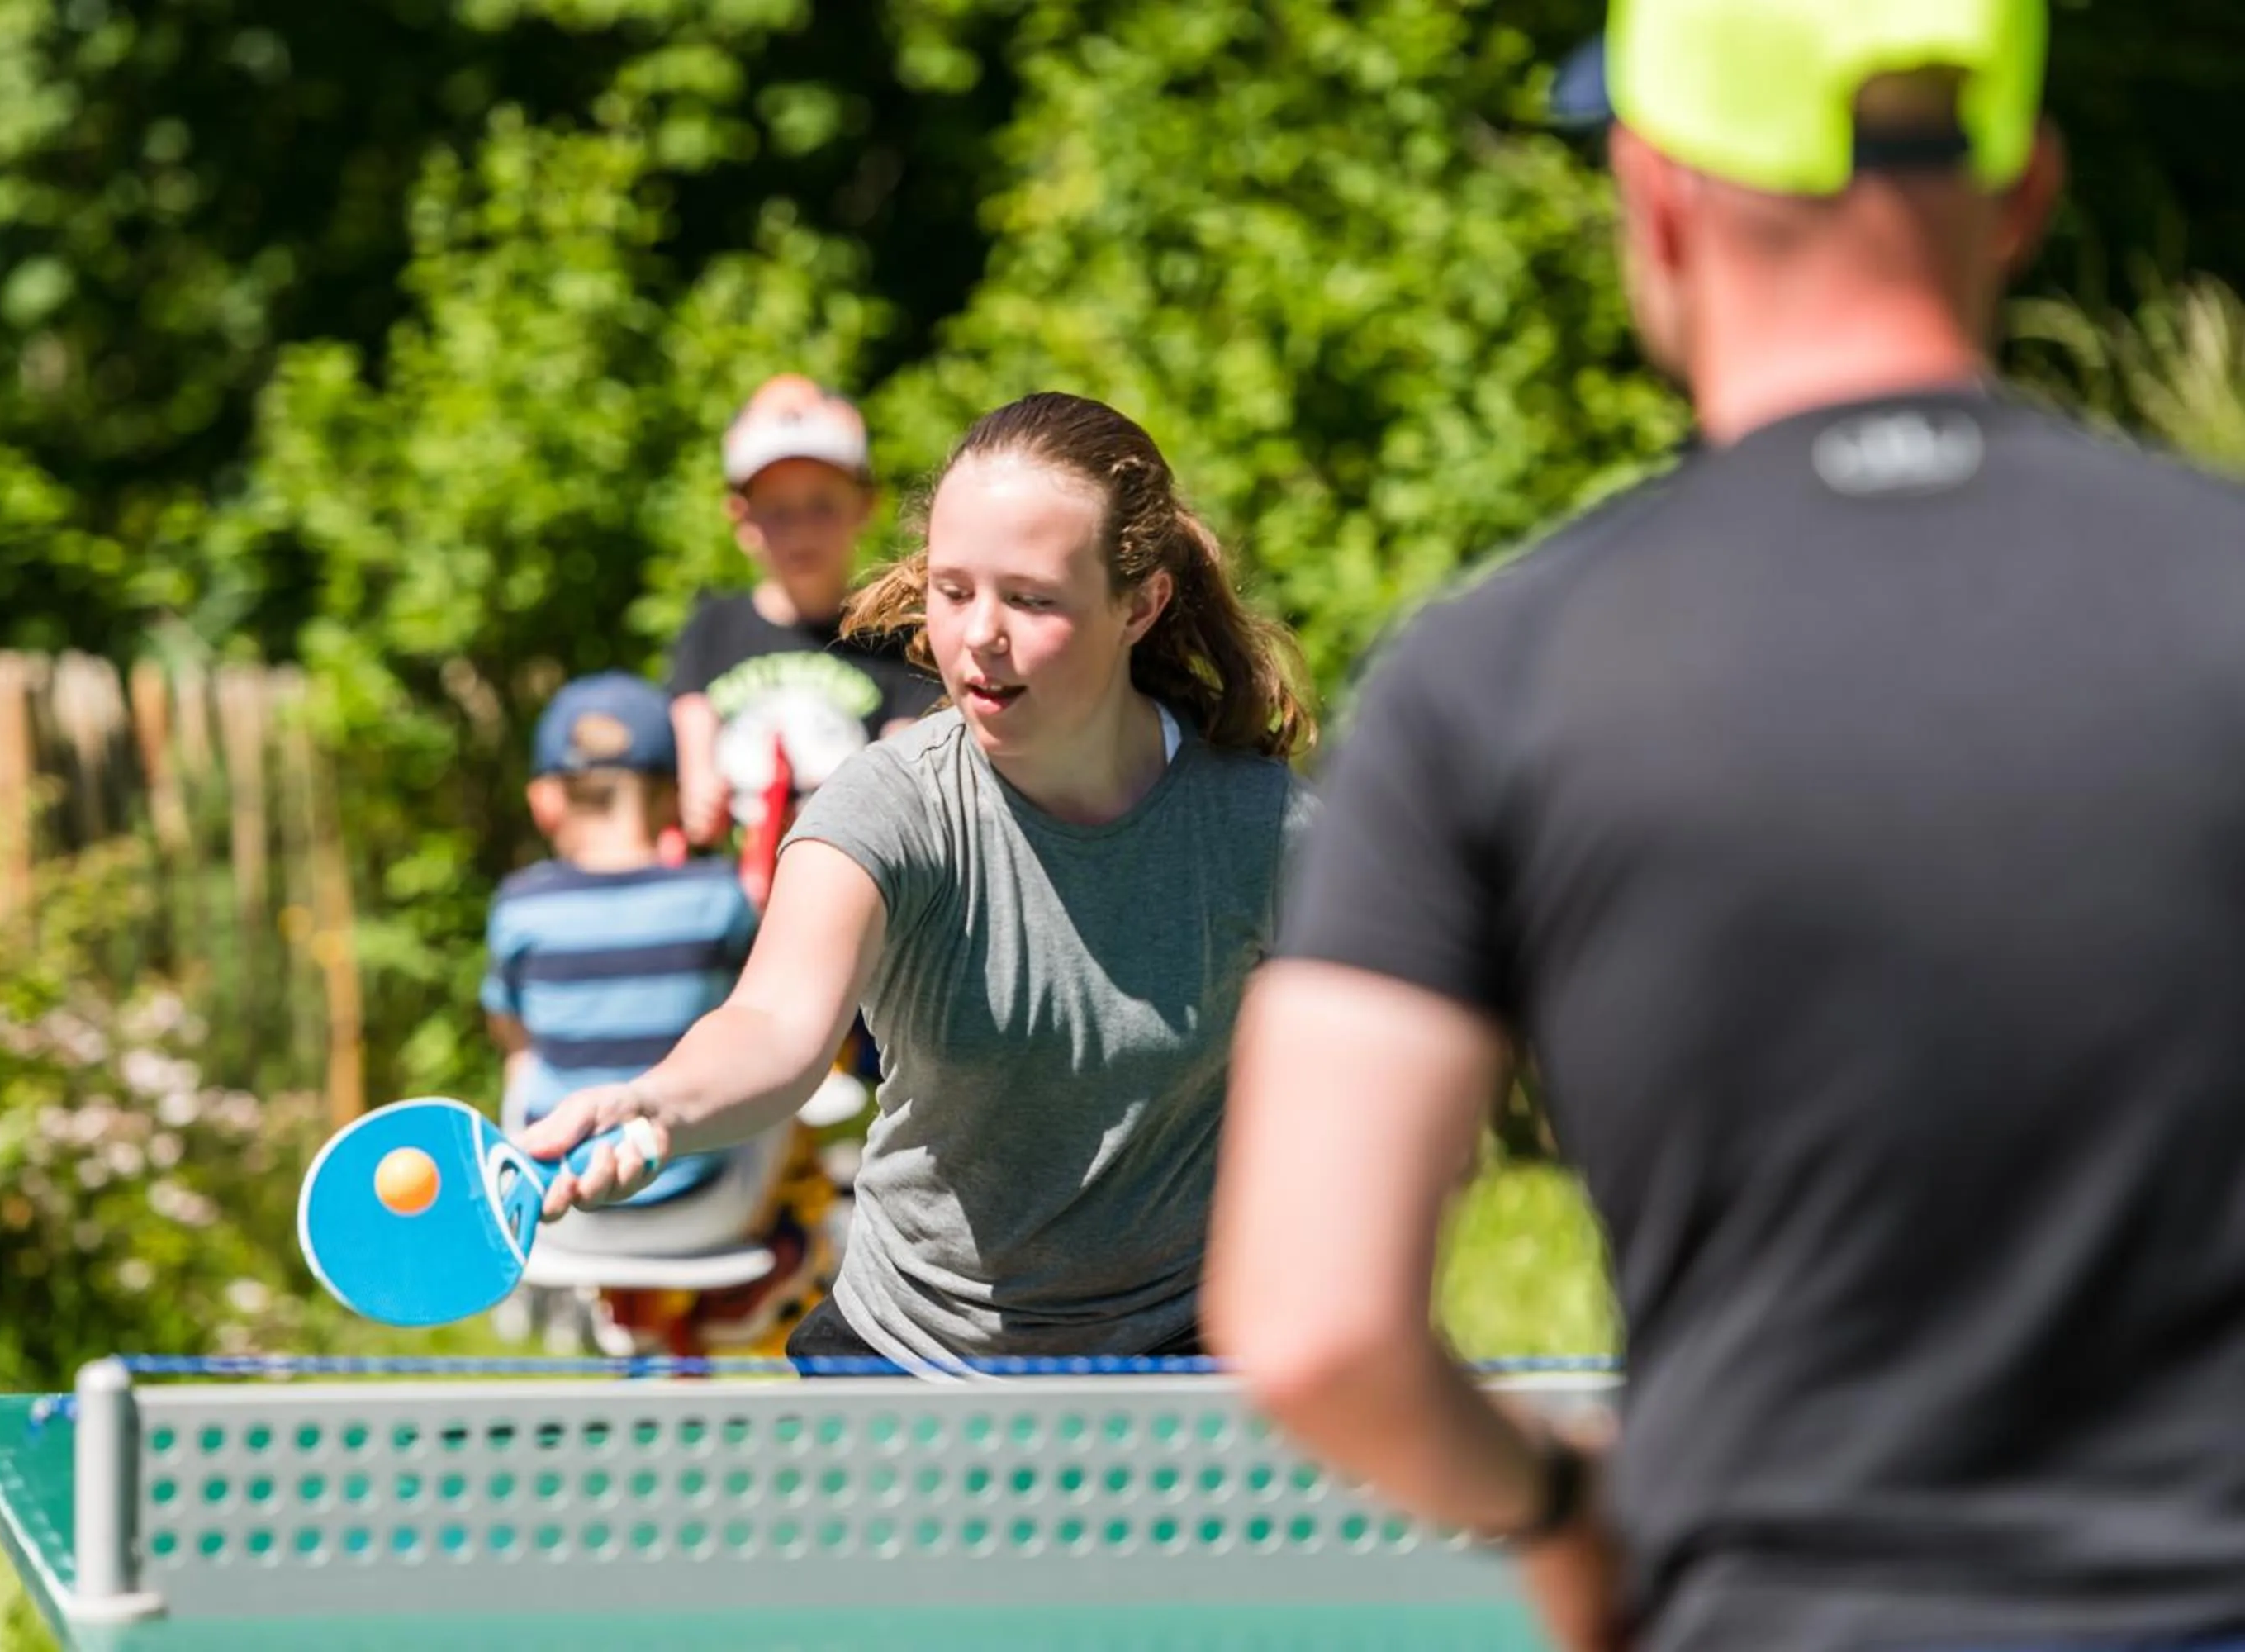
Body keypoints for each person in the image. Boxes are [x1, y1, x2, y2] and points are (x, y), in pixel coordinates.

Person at [1209, 2, 2245, 1650]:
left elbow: (1312, 1321)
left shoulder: (1497, 673)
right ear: (2028, 188)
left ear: (1658, 195)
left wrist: (1562, 1513)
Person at [524, 392, 1317, 1368]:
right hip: (917, 1356)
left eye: (1030, 598)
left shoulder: (1263, 827)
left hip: (1185, 1360)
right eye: (952, 589)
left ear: (1140, 604)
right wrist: (655, 1101)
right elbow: (775, 1025)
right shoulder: (888, 806)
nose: (979, 634)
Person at [482, 673, 817, 1347]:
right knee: (791, 1057)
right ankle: (789, 1254)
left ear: (546, 804)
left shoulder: (520, 906)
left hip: (564, 1216)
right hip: (715, 1210)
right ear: (674, 795)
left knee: (528, 1064)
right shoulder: (723, 898)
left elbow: (513, 1039)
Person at [668, 374, 942, 849]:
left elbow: (906, 789)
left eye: (822, 505)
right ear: (741, 517)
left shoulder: (900, 644)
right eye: (777, 510)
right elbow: (692, 748)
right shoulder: (710, 628)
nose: (800, 530)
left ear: (865, 505)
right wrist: (698, 798)